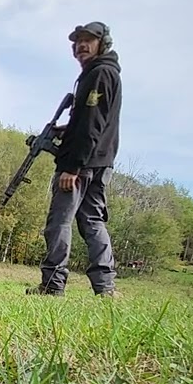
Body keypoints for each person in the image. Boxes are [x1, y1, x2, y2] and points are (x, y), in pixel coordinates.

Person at [28, 21, 123, 297]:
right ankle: (106, 289)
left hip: (82, 164)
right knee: (93, 221)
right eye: (77, 41)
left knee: (60, 221)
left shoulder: (99, 74)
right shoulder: (104, 72)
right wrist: (66, 130)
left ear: (102, 43)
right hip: (100, 161)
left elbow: (92, 123)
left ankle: (52, 285)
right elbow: (93, 121)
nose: (81, 45)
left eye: (88, 40)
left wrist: (72, 166)